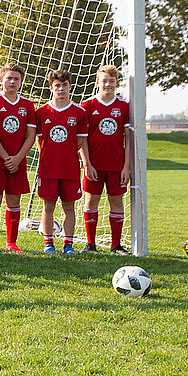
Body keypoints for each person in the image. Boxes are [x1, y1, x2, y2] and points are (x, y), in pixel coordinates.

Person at [0, 62, 37, 252]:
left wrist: (18, 158)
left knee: (14, 201)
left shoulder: (27, 105)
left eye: (16, 79)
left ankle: (11, 243)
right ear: (1, 80)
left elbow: (31, 136)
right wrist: (6, 157)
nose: (12, 82)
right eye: (9, 78)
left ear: (21, 82)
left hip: (18, 161)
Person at [35, 69, 91, 255]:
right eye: (57, 85)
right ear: (51, 88)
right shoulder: (42, 112)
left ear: (70, 87)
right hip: (48, 168)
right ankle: (49, 244)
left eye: (64, 85)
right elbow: (39, 141)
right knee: (48, 206)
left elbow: (80, 141)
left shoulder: (79, 112)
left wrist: (65, 153)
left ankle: (68, 244)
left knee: (69, 206)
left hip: (69, 168)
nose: (61, 89)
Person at [80, 64, 132, 253]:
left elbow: (128, 138)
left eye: (111, 81)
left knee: (116, 202)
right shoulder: (87, 106)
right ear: (97, 83)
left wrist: (126, 167)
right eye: (104, 81)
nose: (108, 84)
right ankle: (90, 243)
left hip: (117, 165)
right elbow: (82, 139)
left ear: (116, 83)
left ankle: (115, 245)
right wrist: (87, 164)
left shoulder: (124, 107)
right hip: (94, 165)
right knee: (91, 200)